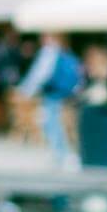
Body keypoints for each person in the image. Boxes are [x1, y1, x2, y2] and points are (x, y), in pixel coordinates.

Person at [18, 33, 82, 166]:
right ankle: (62, 153)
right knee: (57, 123)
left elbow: (40, 75)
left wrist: (26, 90)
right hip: (65, 94)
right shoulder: (65, 53)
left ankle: (61, 154)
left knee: (52, 123)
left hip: (53, 93)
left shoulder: (49, 52)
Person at [77, 45, 107, 170]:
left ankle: (102, 159)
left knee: (103, 139)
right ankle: (90, 159)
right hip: (90, 108)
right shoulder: (86, 70)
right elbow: (82, 88)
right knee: (91, 139)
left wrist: (104, 75)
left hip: (104, 110)